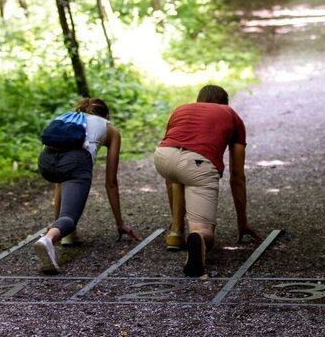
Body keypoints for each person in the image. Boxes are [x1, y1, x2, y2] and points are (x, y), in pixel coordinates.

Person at [153, 85, 264, 277]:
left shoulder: (181, 109)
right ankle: (198, 238)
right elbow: (237, 175)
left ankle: (176, 232)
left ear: (199, 100)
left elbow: (173, 141)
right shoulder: (231, 114)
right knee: (203, 230)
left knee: (176, 174)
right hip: (198, 164)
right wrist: (242, 222)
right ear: (224, 103)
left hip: (163, 157)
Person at [34, 98, 141, 274]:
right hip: (75, 162)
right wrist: (119, 223)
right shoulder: (109, 129)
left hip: (45, 163)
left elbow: (60, 183)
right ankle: (48, 239)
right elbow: (111, 182)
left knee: (63, 180)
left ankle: (66, 233)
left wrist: (56, 221)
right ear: (107, 115)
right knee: (70, 217)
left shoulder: (67, 118)